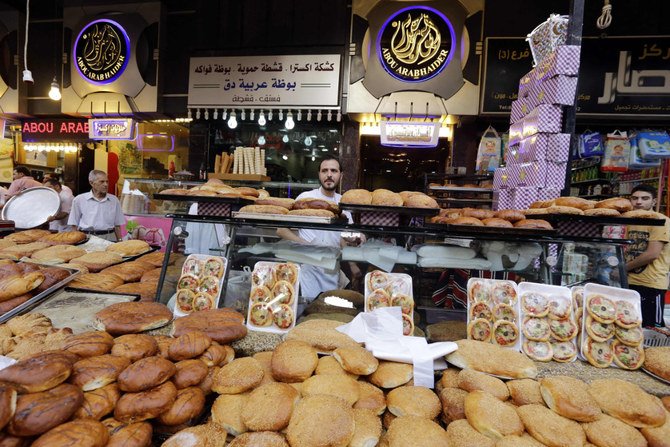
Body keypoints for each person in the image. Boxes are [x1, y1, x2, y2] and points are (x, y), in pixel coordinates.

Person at [277, 156, 361, 300]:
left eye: (333, 171)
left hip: (331, 268)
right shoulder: (306, 199)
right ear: (319, 174)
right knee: (308, 305)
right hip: (307, 266)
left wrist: (353, 264)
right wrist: (305, 244)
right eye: (325, 171)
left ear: (341, 175)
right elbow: (281, 229)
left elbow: (343, 238)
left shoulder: (343, 203)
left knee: (327, 309)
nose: (329, 174)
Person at [625, 184, 670, 327]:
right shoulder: (630, 220)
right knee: (630, 327)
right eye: (635, 198)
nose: (639, 202)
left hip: (651, 284)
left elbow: (652, 254)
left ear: (654, 201)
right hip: (630, 282)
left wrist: (622, 268)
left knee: (652, 330)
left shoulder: (660, 221)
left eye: (645, 198)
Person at [68, 169, 125, 241]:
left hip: (109, 237)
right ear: (91, 183)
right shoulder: (79, 200)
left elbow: (117, 225)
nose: (105, 184)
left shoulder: (114, 200)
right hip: (87, 237)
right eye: (102, 181)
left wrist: (120, 241)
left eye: (107, 181)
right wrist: (74, 242)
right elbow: (74, 224)